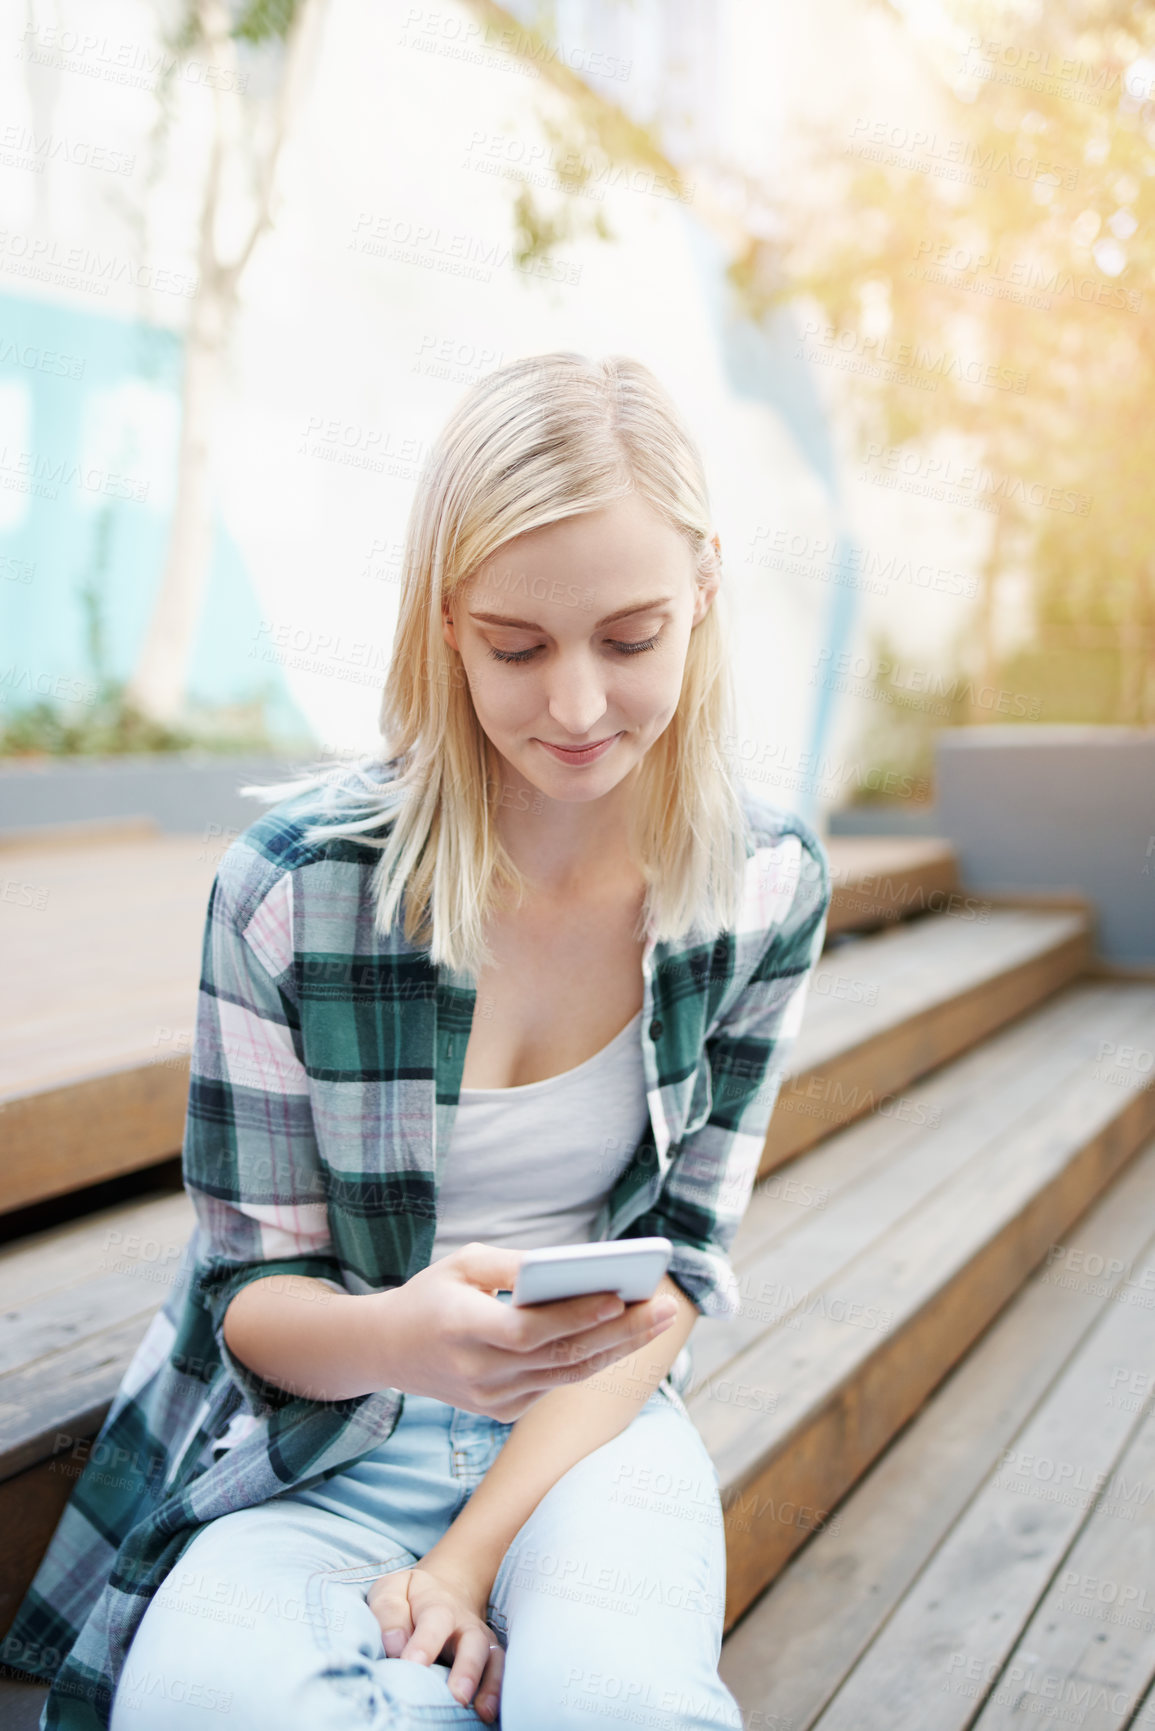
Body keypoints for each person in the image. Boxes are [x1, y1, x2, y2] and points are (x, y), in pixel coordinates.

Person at [4, 353, 830, 1730]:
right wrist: (410, 1339)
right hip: (315, 1441)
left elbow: (678, 1272)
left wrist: (467, 1558)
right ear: (447, 623)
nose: (575, 708)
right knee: (202, 1705)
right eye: (518, 646)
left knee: (623, 1705)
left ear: (705, 592)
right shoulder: (293, 888)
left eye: (630, 640)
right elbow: (250, 1303)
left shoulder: (762, 882)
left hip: (591, 1426)